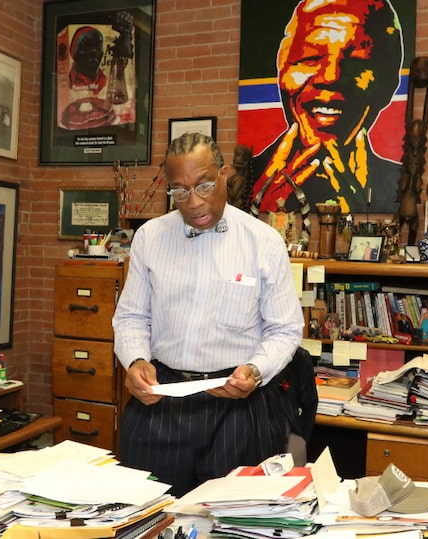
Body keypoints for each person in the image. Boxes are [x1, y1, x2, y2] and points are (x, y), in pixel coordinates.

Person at [112, 132, 304, 497]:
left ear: (225, 174)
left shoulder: (263, 242)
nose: (194, 202)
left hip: (237, 406)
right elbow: (132, 317)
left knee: (235, 522)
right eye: (180, 191)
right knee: (148, 516)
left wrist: (257, 369)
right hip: (163, 400)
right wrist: (135, 359)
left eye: (204, 186)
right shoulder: (151, 238)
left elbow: (285, 329)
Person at [249, 0, 403, 214]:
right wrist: (257, 213)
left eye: (357, 62)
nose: (331, 77)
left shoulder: (401, 187)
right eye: (310, 58)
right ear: (282, 74)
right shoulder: (245, 179)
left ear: (388, 85)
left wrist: (361, 220)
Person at [68, 26, 107, 93]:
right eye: (87, 46)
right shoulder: (68, 82)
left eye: (98, 46)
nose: (94, 51)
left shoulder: (106, 82)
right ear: (75, 52)